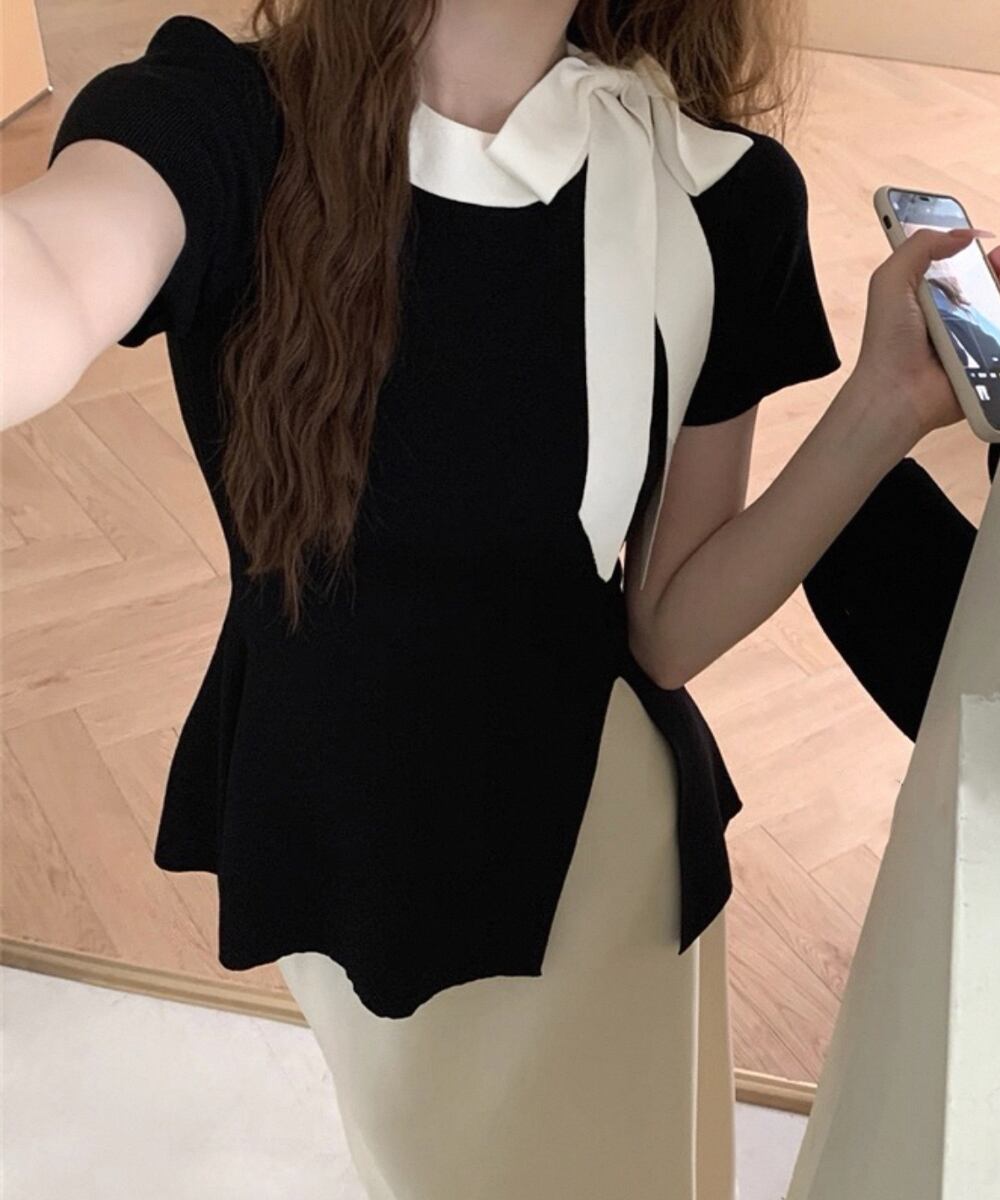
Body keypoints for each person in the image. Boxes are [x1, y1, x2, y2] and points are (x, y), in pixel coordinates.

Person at [3, 2, 997, 1197]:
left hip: (580, 862)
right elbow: (47, 272)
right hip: (335, 825)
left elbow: (668, 628)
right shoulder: (220, 118)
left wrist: (883, 405)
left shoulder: (711, 191)